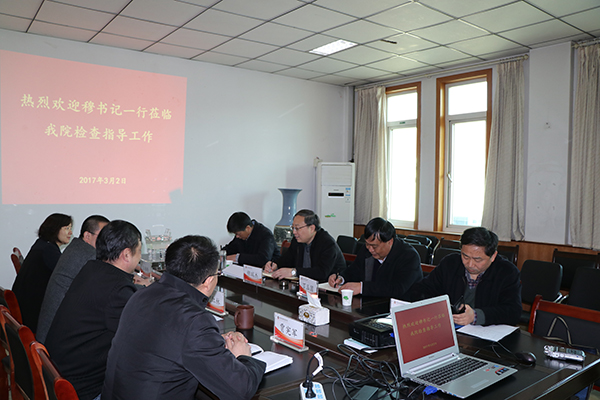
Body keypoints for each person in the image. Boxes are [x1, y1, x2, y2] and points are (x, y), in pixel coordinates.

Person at [102, 235, 265, 400]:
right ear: (208, 281)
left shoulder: (141, 294)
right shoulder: (194, 321)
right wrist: (243, 356)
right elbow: (240, 389)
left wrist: (211, 342)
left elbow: (166, 339)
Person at [45, 220, 141, 400]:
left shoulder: (92, 269)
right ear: (127, 254)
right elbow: (140, 337)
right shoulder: (117, 289)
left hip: (57, 373)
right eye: (139, 251)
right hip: (80, 388)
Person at [406, 227, 522, 326]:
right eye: (465, 256)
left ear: (493, 256)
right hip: (453, 328)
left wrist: (476, 316)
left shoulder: (507, 272)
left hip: (488, 335)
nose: (470, 264)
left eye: (477, 259)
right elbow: (421, 289)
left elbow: (513, 312)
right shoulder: (450, 264)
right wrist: (436, 307)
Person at [36, 215, 110, 343]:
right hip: (57, 338)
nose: (107, 242)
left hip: (50, 331)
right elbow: (110, 285)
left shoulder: (77, 248)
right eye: (103, 237)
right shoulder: (89, 256)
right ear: (87, 236)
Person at [328, 217, 422, 298]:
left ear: (390, 242)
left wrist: (361, 288)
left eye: (374, 246)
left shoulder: (408, 256)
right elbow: (354, 270)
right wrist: (340, 278)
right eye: (367, 244)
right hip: (371, 302)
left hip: (402, 305)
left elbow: (397, 288)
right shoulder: (366, 249)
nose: (370, 249)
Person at [12, 213, 73, 333]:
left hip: (26, 307)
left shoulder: (42, 244)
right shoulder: (49, 250)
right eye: (67, 228)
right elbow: (67, 275)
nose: (70, 232)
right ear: (55, 229)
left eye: (70, 228)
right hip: (34, 314)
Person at [265, 209, 345, 282]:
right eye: (293, 228)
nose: (294, 232)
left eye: (297, 228)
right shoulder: (297, 240)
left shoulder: (327, 243)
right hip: (304, 285)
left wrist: (293, 272)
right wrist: (275, 264)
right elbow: (287, 259)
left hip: (328, 288)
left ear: (312, 228)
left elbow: (321, 272)